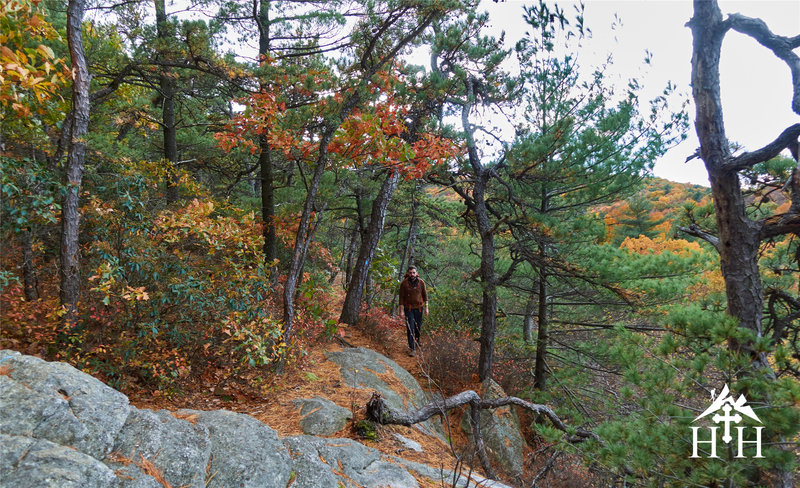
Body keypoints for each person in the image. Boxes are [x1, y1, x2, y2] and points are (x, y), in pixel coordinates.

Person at [398, 266, 428, 356]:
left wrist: (426, 308)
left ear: (416, 273)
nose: (412, 274)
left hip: (419, 308)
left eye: (413, 272)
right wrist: (401, 311)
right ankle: (412, 348)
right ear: (408, 273)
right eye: (410, 273)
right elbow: (401, 298)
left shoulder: (421, 282)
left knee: (417, 327)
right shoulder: (404, 283)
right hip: (409, 309)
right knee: (410, 328)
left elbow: (425, 296)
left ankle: (417, 342)